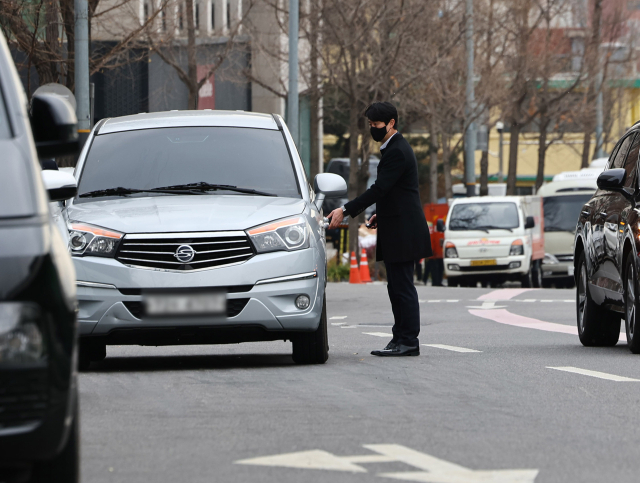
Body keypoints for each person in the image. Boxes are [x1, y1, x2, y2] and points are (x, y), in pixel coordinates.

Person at [327, 102, 432, 357]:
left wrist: (346, 210)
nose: (373, 129)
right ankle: (399, 338)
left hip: (404, 230)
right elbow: (396, 192)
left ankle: (408, 341)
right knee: (395, 286)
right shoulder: (392, 148)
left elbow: (380, 189)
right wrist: (380, 214)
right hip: (397, 224)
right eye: (371, 125)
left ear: (391, 123)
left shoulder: (397, 151)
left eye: (376, 125)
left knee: (402, 287)